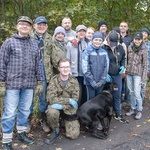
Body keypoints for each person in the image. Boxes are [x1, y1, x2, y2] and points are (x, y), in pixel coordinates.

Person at [0, 16, 43, 150]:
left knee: (25, 110)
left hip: (29, 84)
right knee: (10, 112)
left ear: (30, 28)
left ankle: (21, 133)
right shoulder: (9, 42)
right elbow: (2, 63)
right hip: (12, 84)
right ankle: (6, 140)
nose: (25, 26)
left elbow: (38, 64)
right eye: (22, 24)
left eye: (27, 25)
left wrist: (40, 81)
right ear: (17, 26)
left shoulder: (33, 44)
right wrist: (1, 82)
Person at [45, 58, 80, 144]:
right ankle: (55, 129)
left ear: (70, 67)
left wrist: (64, 105)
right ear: (59, 68)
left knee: (73, 135)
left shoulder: (74, 81)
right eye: (63, 67)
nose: (65, 69)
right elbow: (51, 98)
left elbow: (75, 101)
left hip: (69, 109)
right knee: (52, 112)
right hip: (56, 107)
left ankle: (64, 121)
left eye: (67, 66)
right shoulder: (53, 80)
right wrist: (68, 100)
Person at [29, 16, 53, 133]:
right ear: (34, 26)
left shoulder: (49, 39)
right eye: (39, 24)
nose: (41, 26)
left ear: (47, 26)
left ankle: (44, 120)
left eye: (44, 24)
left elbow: (54, 56)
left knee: (43, 98)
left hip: (44, 74)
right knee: (29, 98)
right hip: (30, 74)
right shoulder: (28, 37)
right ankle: (27, 122)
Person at [102, 31, 127, 123]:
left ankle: (118, 113)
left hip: (117, 75)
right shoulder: (103, 48)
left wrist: (123, 66)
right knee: (106, 95)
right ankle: (105, 113)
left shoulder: (120, 47)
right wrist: (105, 74)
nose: (113, 45)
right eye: (111, 43)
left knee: (117, 94)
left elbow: (124, 58)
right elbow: (101, 62)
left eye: (114, 43)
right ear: (108, 39)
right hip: (107, 75)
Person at [125, 32, 148, 120]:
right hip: (129, 73)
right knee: (131, 92)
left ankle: (139, 110)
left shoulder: (144, 49)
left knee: (137, 92)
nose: (137, 41)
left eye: (139, 39)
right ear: (133, 39)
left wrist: (144, 78)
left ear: (141, 40)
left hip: (138, 74)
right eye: (136, 39)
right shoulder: (130, 47)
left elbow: (145, 65)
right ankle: (133, 108)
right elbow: (127, 59)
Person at [82, 31, 109, 100]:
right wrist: (92, 82)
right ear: (92, 40)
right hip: (90, 83)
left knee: (99, 101)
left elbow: (106, 67)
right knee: (91, 101)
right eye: (96, 39)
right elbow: (85, 68)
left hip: (100, 82)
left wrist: (102, 80)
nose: (98, 42)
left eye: (100, 40)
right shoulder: (87, 51)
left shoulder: (104, 52)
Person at [66, 24, 89, 106]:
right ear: (76, 32)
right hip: (74, 74)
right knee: (76, 95)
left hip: (85, 74)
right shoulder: (71, 44)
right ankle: (75, 113)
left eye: (83, 31)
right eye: (80, 31)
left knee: (85, 95)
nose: (82, 33)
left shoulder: (87, 44)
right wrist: (69, 72)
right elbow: (67, 58)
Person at [119, 21, 133, 103]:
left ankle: (127, 101)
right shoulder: (116, 36)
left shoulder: (130, 38)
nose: (123, 27)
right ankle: (119, 99)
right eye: (121, 26)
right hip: (118, 64)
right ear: (119, 27)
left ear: (127, 28)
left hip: (128, 63)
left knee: (127, 83)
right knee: (119, 83)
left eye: (125, 26)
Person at [140, 28, 150, 100]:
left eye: (145, 33)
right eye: (142, 32)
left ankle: (141, 101)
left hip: (146, 68)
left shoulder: (149, 44)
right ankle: (135, 103)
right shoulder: (136, 42)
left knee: (143, 86)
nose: (144, 34)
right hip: (136, 69)